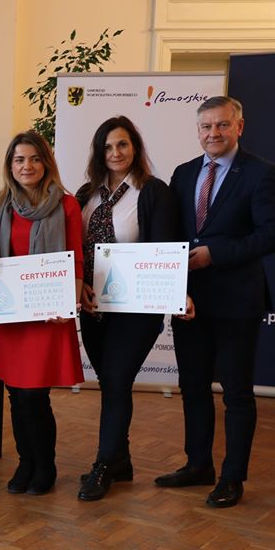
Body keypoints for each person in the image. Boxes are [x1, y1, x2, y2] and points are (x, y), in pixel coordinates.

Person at [157, 96, 275, 508]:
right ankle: (198, 465)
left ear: (239, 127)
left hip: (237, 302)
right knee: (192, 387)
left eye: (222, 125)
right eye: (206, 126)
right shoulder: (184, 173)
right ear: (197, 130)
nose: (214, 133)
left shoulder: (261, 173)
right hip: (189, 301)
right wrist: (174, 285)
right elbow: (173, 234)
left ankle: (232, 477)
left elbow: (269, 234)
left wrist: (216, 254)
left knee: (237, 393)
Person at [75, 117, 183, 501]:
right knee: (110, 383)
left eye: (122, 144)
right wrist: (78, 285)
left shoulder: (153, 192)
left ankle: (104, 464)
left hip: (135, 312)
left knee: (117, 381)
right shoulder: (87, 194)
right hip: (94, 309)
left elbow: (165, 251)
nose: (115, 153)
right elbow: (75, 248)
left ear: (135, 147)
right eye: (107, 147)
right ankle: (121, 461)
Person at [0, 130, 84, 495]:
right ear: (10, 165)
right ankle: (25, 462)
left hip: (46, 315)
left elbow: (76, 259)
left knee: (35, 396)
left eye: (35, 159)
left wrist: (67, 302)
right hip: (8, 316)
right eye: (20, 159)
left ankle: (45, 465)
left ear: (47, 163)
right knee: (15, 394)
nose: (28, 166)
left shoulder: (66, 205)